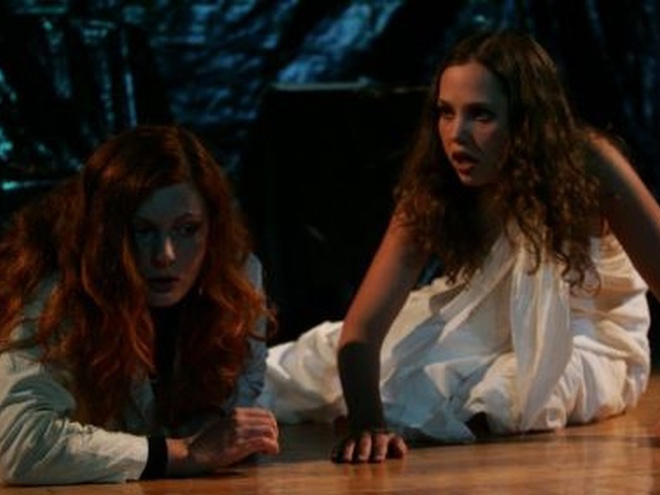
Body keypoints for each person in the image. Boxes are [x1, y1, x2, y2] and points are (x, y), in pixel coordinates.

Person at [258, 28, 660, 463]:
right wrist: (368, 423)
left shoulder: (588, 164)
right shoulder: (436, 184)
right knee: (316, 365)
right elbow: (362, 331)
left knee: (504, 394)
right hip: (477, 324)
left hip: (588, 337)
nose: (456, 134)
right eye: (445, 113)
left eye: (480, 115)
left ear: (527, 119)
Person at [0, 125, 279, 485]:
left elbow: (228, 408)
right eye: (143, 230)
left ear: (212, 227)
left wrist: (217, 435)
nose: (165, 255)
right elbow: (19, 445)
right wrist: (181, 453)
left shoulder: (234, 280)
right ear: (107, 234)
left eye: (187, 229)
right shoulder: (55, 288)